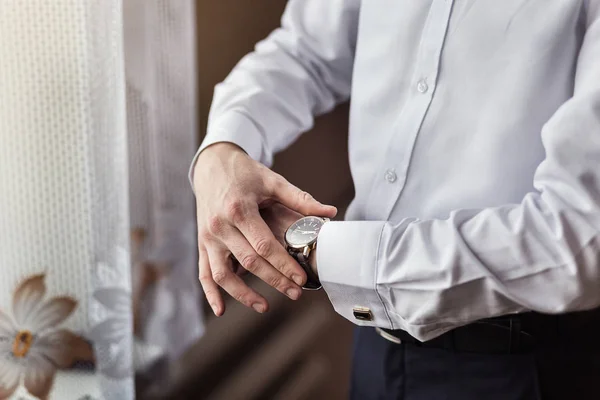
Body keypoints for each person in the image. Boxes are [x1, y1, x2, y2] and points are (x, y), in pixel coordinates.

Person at [190, 1, 600, 399]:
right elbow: (306, 50)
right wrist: (223, 149)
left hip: (524, 365)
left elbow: (580, 239)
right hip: (374, 345)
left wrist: (319, 249)